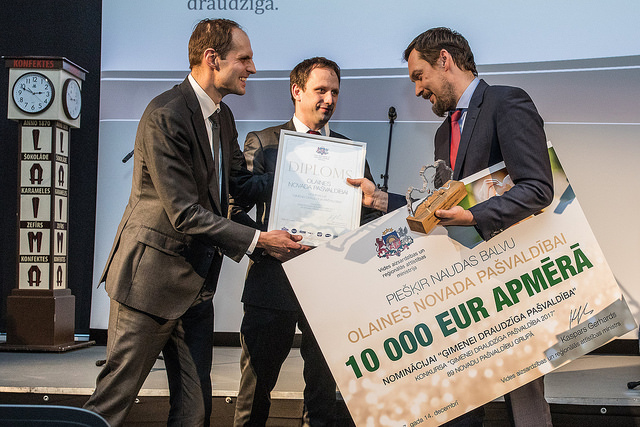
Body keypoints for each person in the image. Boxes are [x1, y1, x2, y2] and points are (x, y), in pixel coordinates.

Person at [83, 19, 303, 427]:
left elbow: (240, 184)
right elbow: (184, 212)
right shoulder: (166, 115)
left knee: (194, 410)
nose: (252, 68)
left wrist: (302, 177)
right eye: (244, 58)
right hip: (149, 284)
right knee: (112, 402)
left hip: (196, 287)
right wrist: (259, 240)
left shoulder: (222, 116)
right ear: (212, 58)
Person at [349, 27, 554, 427]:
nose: (417, 90)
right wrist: (379, 200)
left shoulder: (506, 102)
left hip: (513, 286)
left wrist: (475, 216)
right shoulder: (445, 132)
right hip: (464, 290)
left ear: (444, 60)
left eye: (419, 76)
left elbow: (538, 188)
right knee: (461, 406)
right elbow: (441, 209)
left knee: (524, 404)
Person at [231, 57, 398, 427]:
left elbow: (367, 214)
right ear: (297, 91)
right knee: (255, 391)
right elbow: (233, 207)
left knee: (323, 394)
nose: (329, 99)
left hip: (328, 287)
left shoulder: (349, 152)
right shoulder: (263, 142)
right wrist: (264, 241)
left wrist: (357, 232)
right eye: (321, 90)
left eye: (335, 92)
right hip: (272, 282)